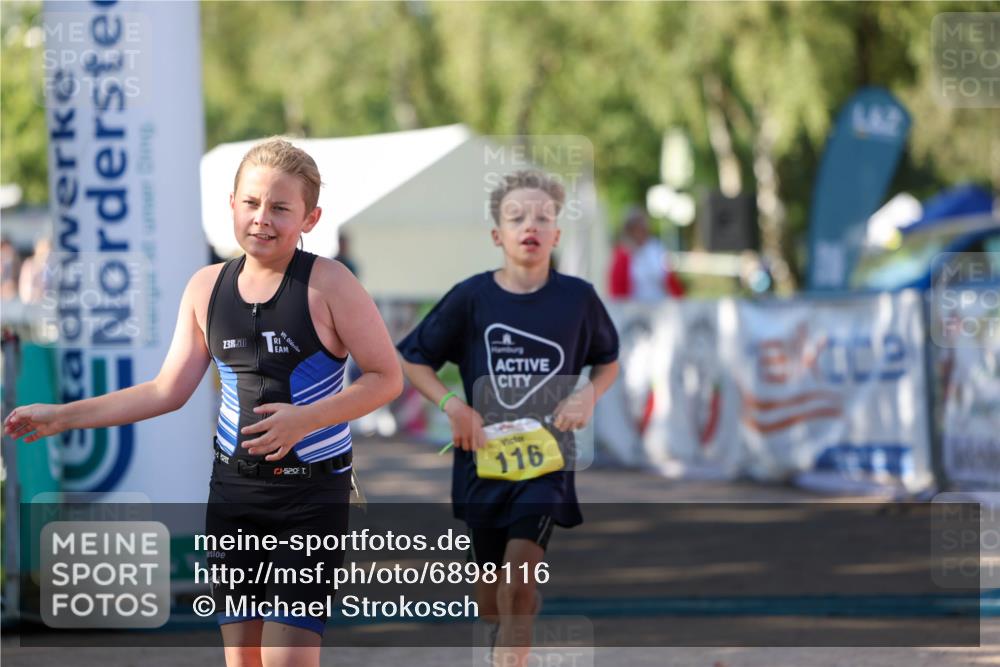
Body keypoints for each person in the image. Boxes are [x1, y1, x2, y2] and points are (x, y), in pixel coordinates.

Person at [3, 138, 403, 667]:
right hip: (234, 494)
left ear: (310, 218)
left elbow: (386, 378)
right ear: (231, 205)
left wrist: (306, 420)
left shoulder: (330, 284)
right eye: (251, 203)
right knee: (244, 661)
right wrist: (62, 417)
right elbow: (165, 390)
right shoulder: (206, 288)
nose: (263, 218)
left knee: (286, 662)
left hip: (311, 497)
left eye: (281, 208)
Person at [396, 170, 620, 667]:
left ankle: (516, 631)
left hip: (546, 460)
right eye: (517, 216)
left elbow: (608, 361)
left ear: (557, 234)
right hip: (483, 464)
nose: (530, 225)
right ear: (497, 234)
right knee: (489, 597)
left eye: (543, 216)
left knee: (520, 580)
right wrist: (452, 406)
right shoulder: (472, 298)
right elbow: (413, 359)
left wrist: (589, 394)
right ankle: (516, 613)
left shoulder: (578, 299)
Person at [608, 206, 684, 301]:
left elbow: (670, 279)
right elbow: (617, 289)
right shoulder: (623, 254)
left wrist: (679, 300)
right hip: (634, 309)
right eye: (638, 228)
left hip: (660, 305)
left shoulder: (656, 248)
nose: (642, 232)